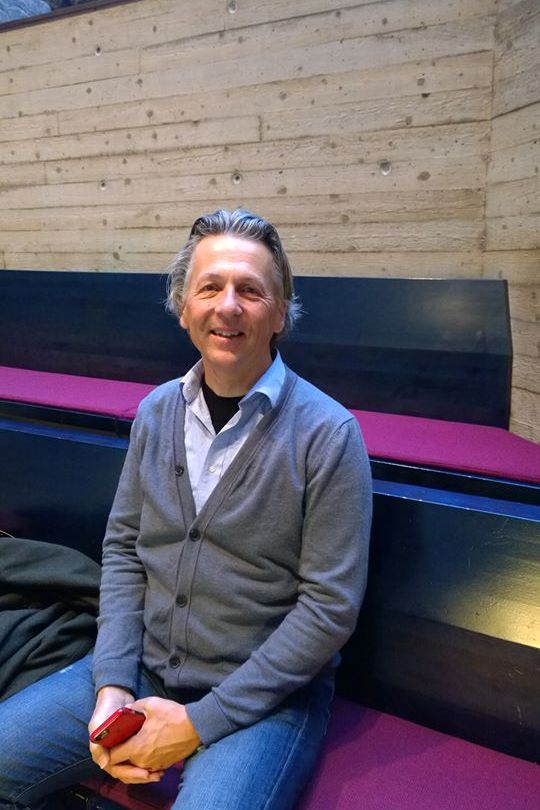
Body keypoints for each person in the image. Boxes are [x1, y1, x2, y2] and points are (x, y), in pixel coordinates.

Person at [0, 209, 372, 810]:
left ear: (281, 312)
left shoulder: (329, 434)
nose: (228, 306)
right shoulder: (155, 412)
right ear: (182, 307)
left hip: (264, 697)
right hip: (143, 668)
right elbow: (124, 549)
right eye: (210, 287)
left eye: (251, 290)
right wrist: (112, 681)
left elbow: (329, 609)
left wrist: (199, 722)